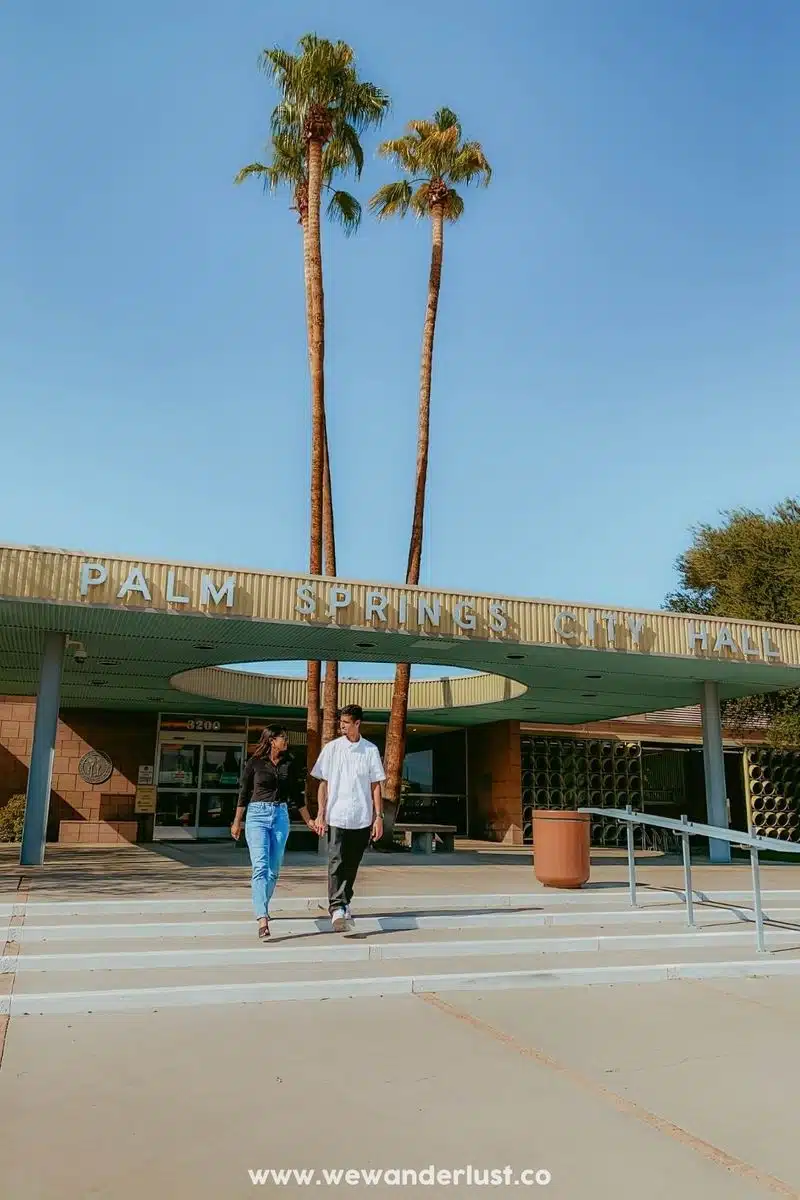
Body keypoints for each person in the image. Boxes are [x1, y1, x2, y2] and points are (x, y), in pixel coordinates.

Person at [232, 725, 314, 939]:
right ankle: (262, 918)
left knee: (274, 869)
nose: (285, 741)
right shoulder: (255, 763)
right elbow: (243, 793)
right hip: (257, 815)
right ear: (271, 740)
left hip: (280, 815)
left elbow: (297, 795)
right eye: (282, 738)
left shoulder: (290, 763)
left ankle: (262, 904)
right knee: (260, 866)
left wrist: (309, 821)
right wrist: (236, 822)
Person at [311, 704, 386, 933]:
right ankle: (336, 908)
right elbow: (323, 783)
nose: (341, 726)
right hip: (336, 816)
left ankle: (344, 902)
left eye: (345, 723)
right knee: (336, 861)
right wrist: (320, 814)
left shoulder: (370, 750)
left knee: (352, 864)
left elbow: (375, 786)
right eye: (340, 722)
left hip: (361, 817)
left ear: (357, 723)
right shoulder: (332, 749)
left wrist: (378, 816)